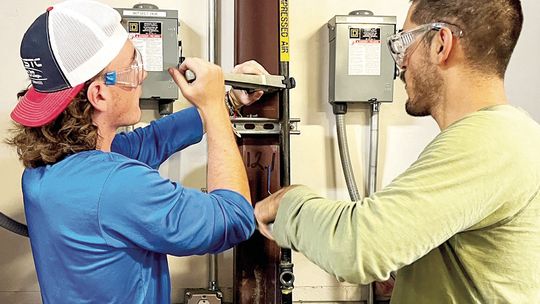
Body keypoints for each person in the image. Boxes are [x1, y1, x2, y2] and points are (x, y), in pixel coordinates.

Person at [255, 0, 540, 303]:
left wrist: (289, 202)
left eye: (405, 42)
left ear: (441, 45)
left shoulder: (489, 141)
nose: (400, 63)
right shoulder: (508, 135)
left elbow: (356, 248)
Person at [6, 0, 267, 303]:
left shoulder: (47, 165)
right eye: (133, 66)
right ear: (99, 94)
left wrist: (227, 101)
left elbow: (151, 141)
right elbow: (233, 217)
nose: (142, 76)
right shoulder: (116, 186)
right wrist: (213, 111)